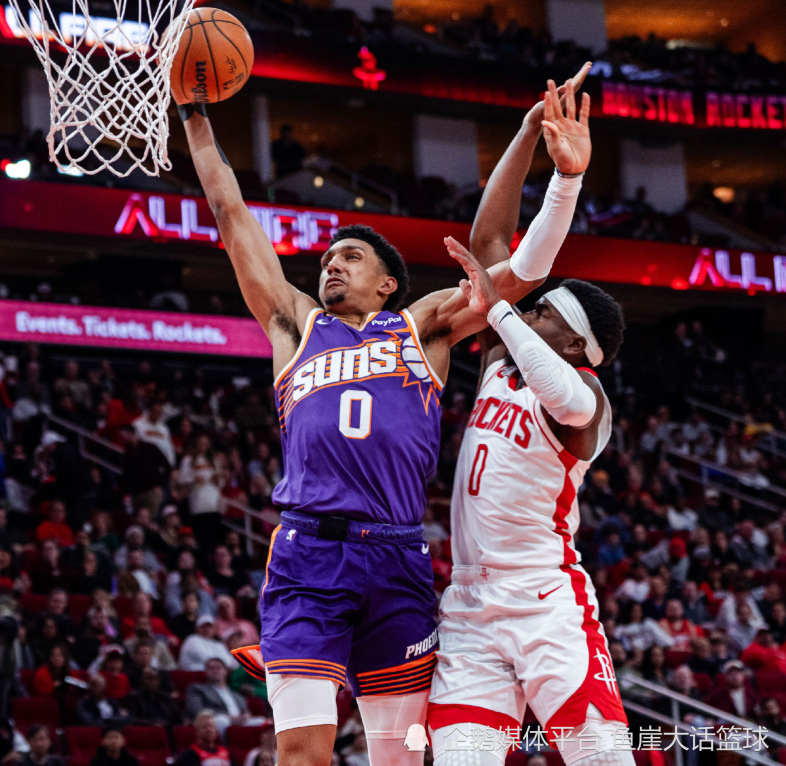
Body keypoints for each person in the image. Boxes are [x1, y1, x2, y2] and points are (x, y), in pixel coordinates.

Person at [179, 53, 592, 766]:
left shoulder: (423, 327)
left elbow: (525, 270)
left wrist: (546, 153)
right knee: (302, 755)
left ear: (388, 284)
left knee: (398, 758)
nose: (330, 265)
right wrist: (193, 113)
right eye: (326, 260)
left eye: (348, 257)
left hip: (397, 558)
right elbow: (229, 210)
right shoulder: (293, 324)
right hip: (308, 555)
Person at [427, 76, 631, 766]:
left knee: (602, 759)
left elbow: (558, 389)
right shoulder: (500, 362)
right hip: (469, 605)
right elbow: (491, 239)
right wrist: (527, 137)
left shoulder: (585, 402)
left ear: (574, 344)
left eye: (542, 311)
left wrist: (500, 309)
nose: (524, 309)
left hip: (547, 602)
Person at [184, 658, 250, 734]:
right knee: (222, 721)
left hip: (239, 720)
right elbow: (196, 710)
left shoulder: (235, 693)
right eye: (210, 668)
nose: (214, 670)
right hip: (216, 719)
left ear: (226, 671)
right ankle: (222, 741)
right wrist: (228, 717)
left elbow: (245, 710)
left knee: (260, 721)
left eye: (218, 668)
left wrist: (246, 715)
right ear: (205, 672)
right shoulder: (197, 689)